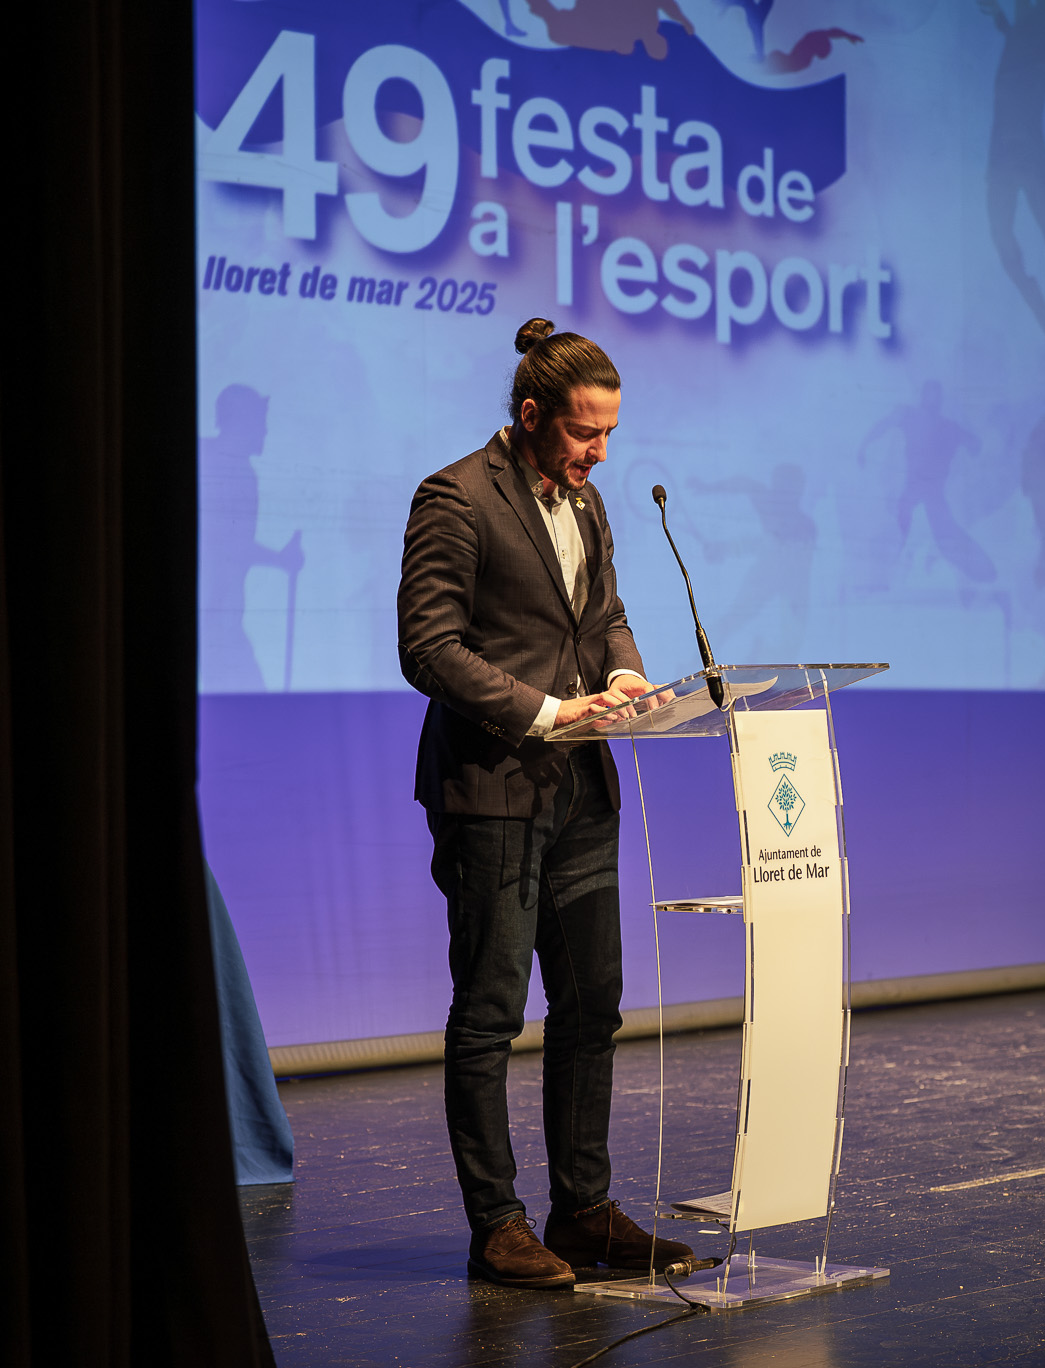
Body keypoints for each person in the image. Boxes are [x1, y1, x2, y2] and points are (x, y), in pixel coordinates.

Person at [397, 318, 696, 1289]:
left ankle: (583, 1211)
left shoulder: (590, 503)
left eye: (609, 433)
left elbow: (602, 615)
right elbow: (429, 649)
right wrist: (548, 710)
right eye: (583, 432)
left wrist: (624, 676)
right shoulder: (455, 497)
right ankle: (497, 1225)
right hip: (492, 790)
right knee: (490, 1012)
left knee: (591, 1006)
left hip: (580, 792)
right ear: (530, 414)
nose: (600, 451)